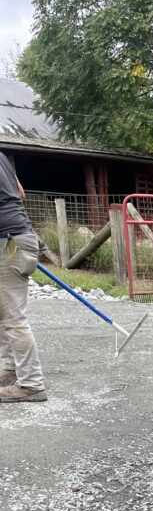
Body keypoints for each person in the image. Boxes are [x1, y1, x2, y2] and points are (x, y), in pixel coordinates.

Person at [0, 152, 47, 403]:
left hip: (9, 241)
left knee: (12, 316)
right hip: (16, 238)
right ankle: (10, 369)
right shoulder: (2, 158)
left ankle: (31, 384)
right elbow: (20, 193)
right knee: (3, 309)